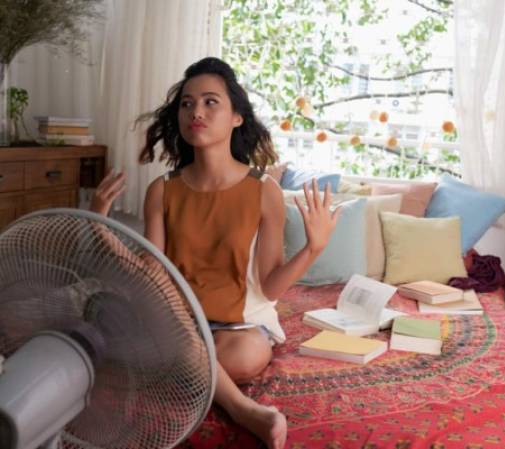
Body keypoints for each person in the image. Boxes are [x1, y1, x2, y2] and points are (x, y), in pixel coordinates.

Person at [90, 57, 341, 449]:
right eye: (187, 104)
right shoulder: (162, 190)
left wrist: (314, 248)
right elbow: (150, 273)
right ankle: (247, 411)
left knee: (236, 357)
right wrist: (98, 225)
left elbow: (272, 286)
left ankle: (189, 371)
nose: (196, 112)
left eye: (211, 102)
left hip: (239, 330)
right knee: (163, 332)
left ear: (237, 117)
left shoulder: (264, 191)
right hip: (175, 320)